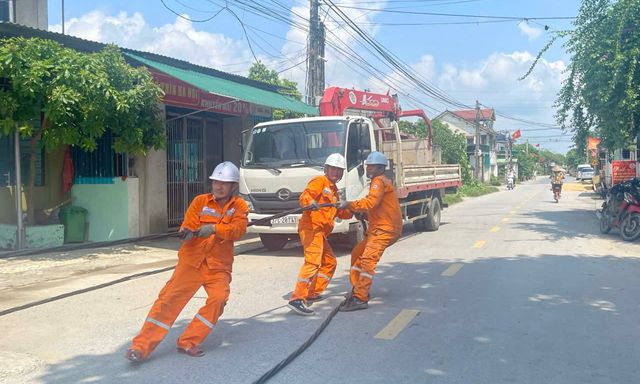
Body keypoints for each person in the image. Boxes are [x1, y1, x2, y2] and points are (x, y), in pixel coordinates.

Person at [126, 161, 248, 362]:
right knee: (167, 302)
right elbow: (189, 223)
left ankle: (189, 341)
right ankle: (140, 347)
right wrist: (187, 234)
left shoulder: (239, 206)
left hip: (218, 266)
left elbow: (238, 230)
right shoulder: (200, 201)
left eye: (224, 183)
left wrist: (215, 229)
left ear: (233, 186)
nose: (218, 186)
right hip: (192, 262)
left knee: (219, 299)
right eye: (216, 182)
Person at [287, 153, 352, 316]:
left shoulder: (334, 191)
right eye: (333, 169)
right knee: (313, 262)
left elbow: (340, 212)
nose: (336, 173)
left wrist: (352, 209)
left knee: (329, 262)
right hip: (311, 228)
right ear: (326, 169)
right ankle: (297, 298)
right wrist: (310, 203)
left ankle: (312, 292)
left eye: (339, 170)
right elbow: (305, 196)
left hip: (320, 232)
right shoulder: (319, 181)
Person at [338, 151, 402, 312]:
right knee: (357, 254)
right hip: (378, 229)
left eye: (372, 167)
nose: (369, 169)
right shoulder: (379, 181)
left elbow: (371, 202)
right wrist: (361, 212)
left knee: (367, 260)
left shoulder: (378, 182)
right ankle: (358, 288)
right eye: (368, 166)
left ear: (381, 168)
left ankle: (360, 297)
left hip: (385, 230)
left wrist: (350, 204)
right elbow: (376, 206)